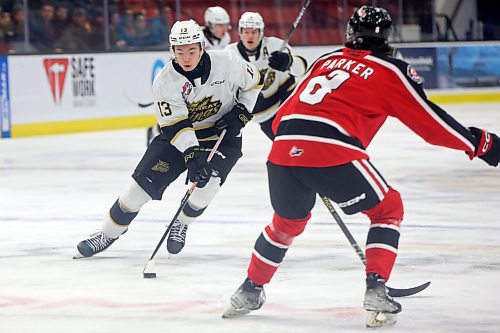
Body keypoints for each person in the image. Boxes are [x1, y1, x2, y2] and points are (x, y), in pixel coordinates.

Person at [222, 6, 500, 328]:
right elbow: (431, 123)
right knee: (387, 209)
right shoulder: (390, 69)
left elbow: (285, 113)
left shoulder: (325, 61)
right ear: (387, 36)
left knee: (286, 224)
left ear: (349, 33)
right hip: (330, 150)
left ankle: (249, 289)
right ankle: (376, 289)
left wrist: (296, 153)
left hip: (283, 150)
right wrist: (481, 144)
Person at [75, 19, 262, 258]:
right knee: (136, 193)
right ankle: (107, 234)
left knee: (207, 187)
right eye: (180, 51)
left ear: (202, 48)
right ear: (172, 51)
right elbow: (176, 124)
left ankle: (181, 223)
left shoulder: (228, 63)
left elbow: (255, 81)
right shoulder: (165, 81)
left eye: (192, 51)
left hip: (221, 135)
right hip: (180, 137)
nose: (186, 57)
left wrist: (243, 112)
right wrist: (192, 154)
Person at [146, 6, 232, 146]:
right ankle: (156, 132)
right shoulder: (196, 37)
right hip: (185, 77)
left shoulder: (224, 39)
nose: (224, 29)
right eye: (220, 25)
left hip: (204, 79)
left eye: (225, 25)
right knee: (176, 109)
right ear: (210, 24)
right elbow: (177, 59)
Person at [225, 12, 307, 140]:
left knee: (307, 138)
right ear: (240, 33)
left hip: (288, 102)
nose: (250, 36)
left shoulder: (275, 45)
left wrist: (288, 61)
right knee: (289, 148)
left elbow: (302, 69)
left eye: (254, 32)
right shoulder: (229, 54)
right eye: (246, 31)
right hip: (264, 114)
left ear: (261, 32)